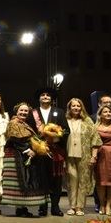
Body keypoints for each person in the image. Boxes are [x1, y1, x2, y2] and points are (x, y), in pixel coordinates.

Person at [26, 87, 68, 216]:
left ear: (52, 99)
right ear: (39, 98)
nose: (45, 97)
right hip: (39, 151)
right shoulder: (33, 113)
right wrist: (37, 144)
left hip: (55, 151)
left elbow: (66, 130)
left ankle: (55, 207)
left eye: (48, 95)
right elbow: (28, 131)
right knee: (41, 179)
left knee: (56, 180)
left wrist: (54, 139)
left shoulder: (59, 112)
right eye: (43, 95)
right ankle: (42, 207)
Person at [2, 102, 48, 217]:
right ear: (16, 112)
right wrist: (28, 150)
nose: (23, 112)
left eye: (26, 111)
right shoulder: (13, 123)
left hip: (22, 155)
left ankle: (22, 208)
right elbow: (15, 139)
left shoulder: (24, 124)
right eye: (21, 111)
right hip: (15, 155)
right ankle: (20, 208)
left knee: (24, 180)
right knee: (19, 181)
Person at [64, 98, 102, 216]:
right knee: (72, 180)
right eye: (73, 106)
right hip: (68, 155)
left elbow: (95, 139)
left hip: (84, 155)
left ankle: (80, 207)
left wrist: (94, 156)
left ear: (81, 107)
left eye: (78, 106)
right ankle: (72, 206)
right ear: (69, 107)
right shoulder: (65, 120)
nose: (76, 108)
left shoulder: (88, 121)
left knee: (83, 181)